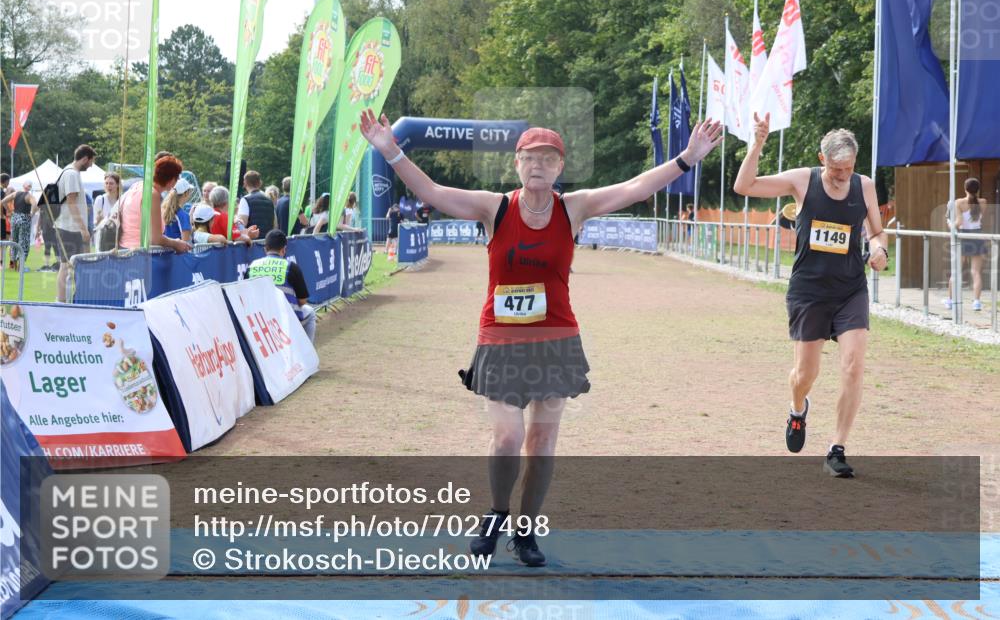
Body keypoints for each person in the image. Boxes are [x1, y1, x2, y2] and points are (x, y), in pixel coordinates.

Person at [361, 109, 723, 566]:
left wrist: (687, 158)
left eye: (548, 158)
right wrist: (391, 150)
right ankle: (496, 513)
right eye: (530, 157)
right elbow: (432, 191)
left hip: (556, 339)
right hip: (500, 339)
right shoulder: (494, 207)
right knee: (508, 437)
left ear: (559, 168)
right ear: (516, 164)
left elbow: (634, 188)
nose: (538, 164)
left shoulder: (575, 207)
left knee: (542, 444)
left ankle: (526, 532)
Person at [733, 112, 889, 479]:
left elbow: (877, 232)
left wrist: (879, 250)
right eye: (836, 169)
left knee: (853, 366)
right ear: (823, 161)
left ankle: (837, 449)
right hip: (809, 291)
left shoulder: (864, 186)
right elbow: (745, 185)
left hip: (850, 289)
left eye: (848, 168)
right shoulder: (802, 181)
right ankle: (797, 408)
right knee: (806, 373)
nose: (842, 176)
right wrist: (757, 144)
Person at [248, 229, 317, 342]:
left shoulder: (252, 266)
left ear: (265, 249)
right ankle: (307, 355)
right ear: (284, 249)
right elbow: (303, 301)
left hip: (258, 320)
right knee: (310, 313)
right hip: (286, 319)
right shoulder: (291, 267)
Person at [116, 155, 192, 255]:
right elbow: (156, 239)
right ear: (172, 180)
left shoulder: (138, 185)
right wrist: (176, 243)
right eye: (177, 178)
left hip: (125, 250)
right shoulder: (152, 195)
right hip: (138, 254)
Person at [53, 145, 97, 302]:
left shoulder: (69, 171)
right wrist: (83, 229)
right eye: (91, 161)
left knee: (69, 266)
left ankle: (66, 300)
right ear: (85, 158)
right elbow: (72, 203)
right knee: (65, 266)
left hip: (67, 226)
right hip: (69, 227)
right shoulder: (71, 173)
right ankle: (61, 302)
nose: (91, 165)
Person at [944, 178, 990, 312]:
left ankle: (951, 301)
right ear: (978, 189)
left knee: (956, 271)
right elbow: (977, 218)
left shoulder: (958, 203)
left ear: (965, 189)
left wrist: (948, 220)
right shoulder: (983, 202)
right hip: (977, 236)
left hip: (964, 236)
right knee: (976, 272)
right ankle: (976, 302)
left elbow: (958, 223)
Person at [1, 182, 36, 270]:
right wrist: (32, 213)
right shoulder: (29, 196)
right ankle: (20, 267)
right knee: (23, 242)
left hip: (15, 218)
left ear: (23, 186)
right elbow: (35, 204)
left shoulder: (16, 193)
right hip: (24, 218)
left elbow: (2, 201)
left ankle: (14, 265)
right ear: (29, 188)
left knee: (14, 241)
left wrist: (9, 210)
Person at [93, 172, 121, 251]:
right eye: (106, 183)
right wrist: (98, 220)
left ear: (117, 185)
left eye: (111, 183)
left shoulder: (121, 200)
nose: (108, 186)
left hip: (117, 238)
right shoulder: (100, 200)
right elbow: (95, 223)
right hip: (102, 238)